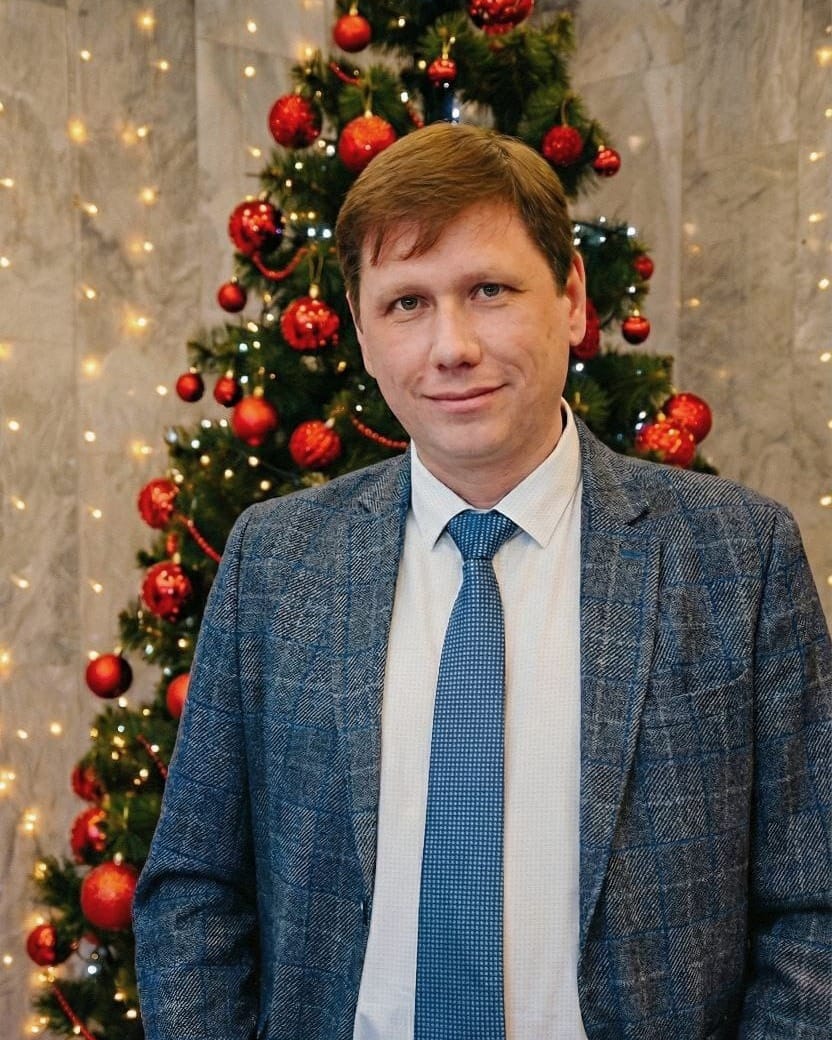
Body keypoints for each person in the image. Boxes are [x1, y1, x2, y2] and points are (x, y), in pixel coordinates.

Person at [133, 123, 832, 1040]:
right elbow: (195, 888)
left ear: (572, 299)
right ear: (362, 332)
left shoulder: (737, 554)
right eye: (406, 303)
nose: (451, 346)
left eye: (489, 291)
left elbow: (813, 905)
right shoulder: (276, 559)